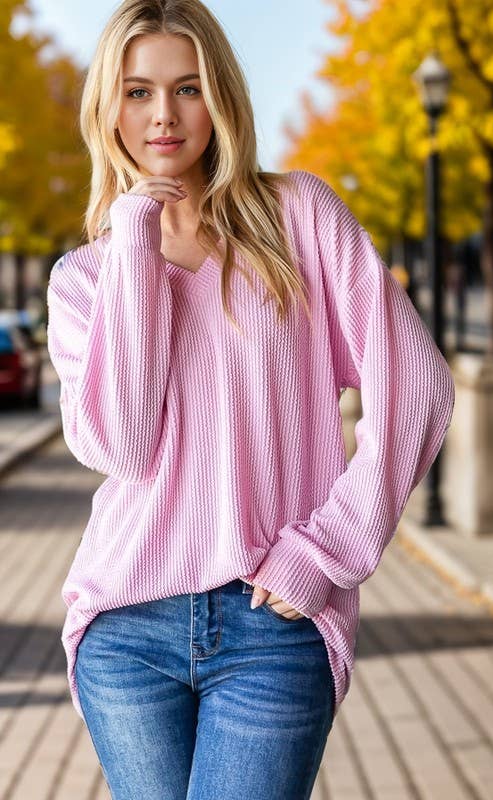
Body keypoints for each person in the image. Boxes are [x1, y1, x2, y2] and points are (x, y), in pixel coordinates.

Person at [45, 1, 456, 797]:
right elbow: (124, 447)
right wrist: (135, 234)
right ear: (108, 107)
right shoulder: (83, 280)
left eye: (187, 87)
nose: (163, 114)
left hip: (274, 624)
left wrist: (327, 549)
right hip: (126, 627)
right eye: (137, 92)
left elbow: (418, 387)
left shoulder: (298, 217)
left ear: (221, 96)